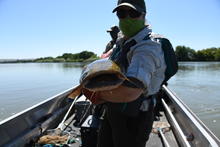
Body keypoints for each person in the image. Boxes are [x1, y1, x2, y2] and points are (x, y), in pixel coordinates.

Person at [83, 0, 167, 146]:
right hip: (113, 109)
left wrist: (96, 95)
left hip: (135, 115)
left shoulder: (148, 46)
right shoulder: (122, 40)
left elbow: (130, 92)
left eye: (133, 13)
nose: (127, 18)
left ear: (143, 15)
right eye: (122, 13)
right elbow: (109, 59)